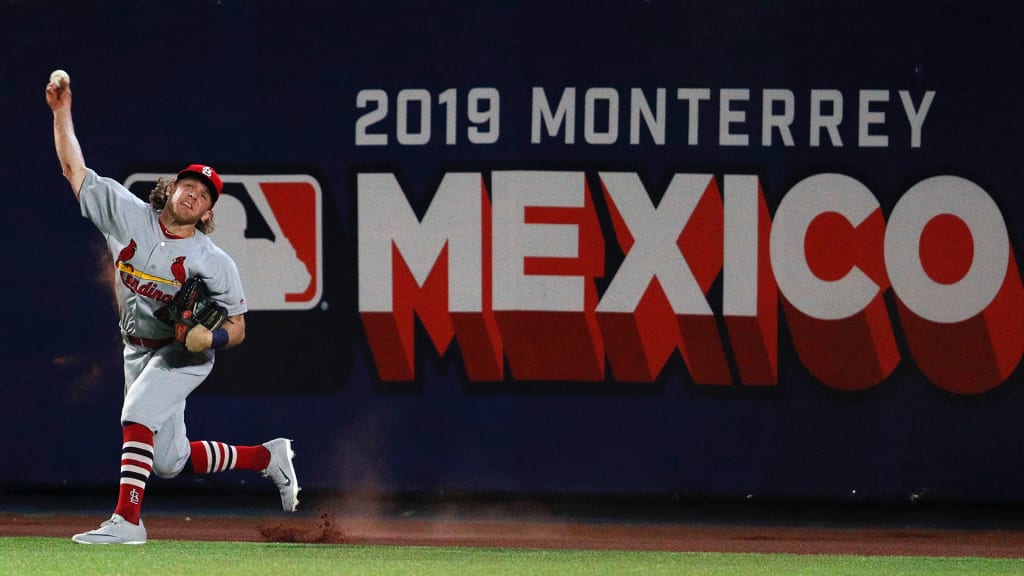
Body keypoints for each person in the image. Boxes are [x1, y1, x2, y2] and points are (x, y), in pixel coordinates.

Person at [45, 73, 299, 545]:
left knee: (136, 414)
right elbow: (74, 169)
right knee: (168, 461)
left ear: (206, 213)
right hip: (136, 350)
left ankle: (127, 522)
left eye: (203, 195)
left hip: (183, 353)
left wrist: (213, 337)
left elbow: (240, 326)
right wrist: (62, 113)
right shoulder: (126, 214)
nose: (193, 193)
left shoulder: (212, 261)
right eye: (189, 184)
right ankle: (267, 458)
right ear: (172, 188)